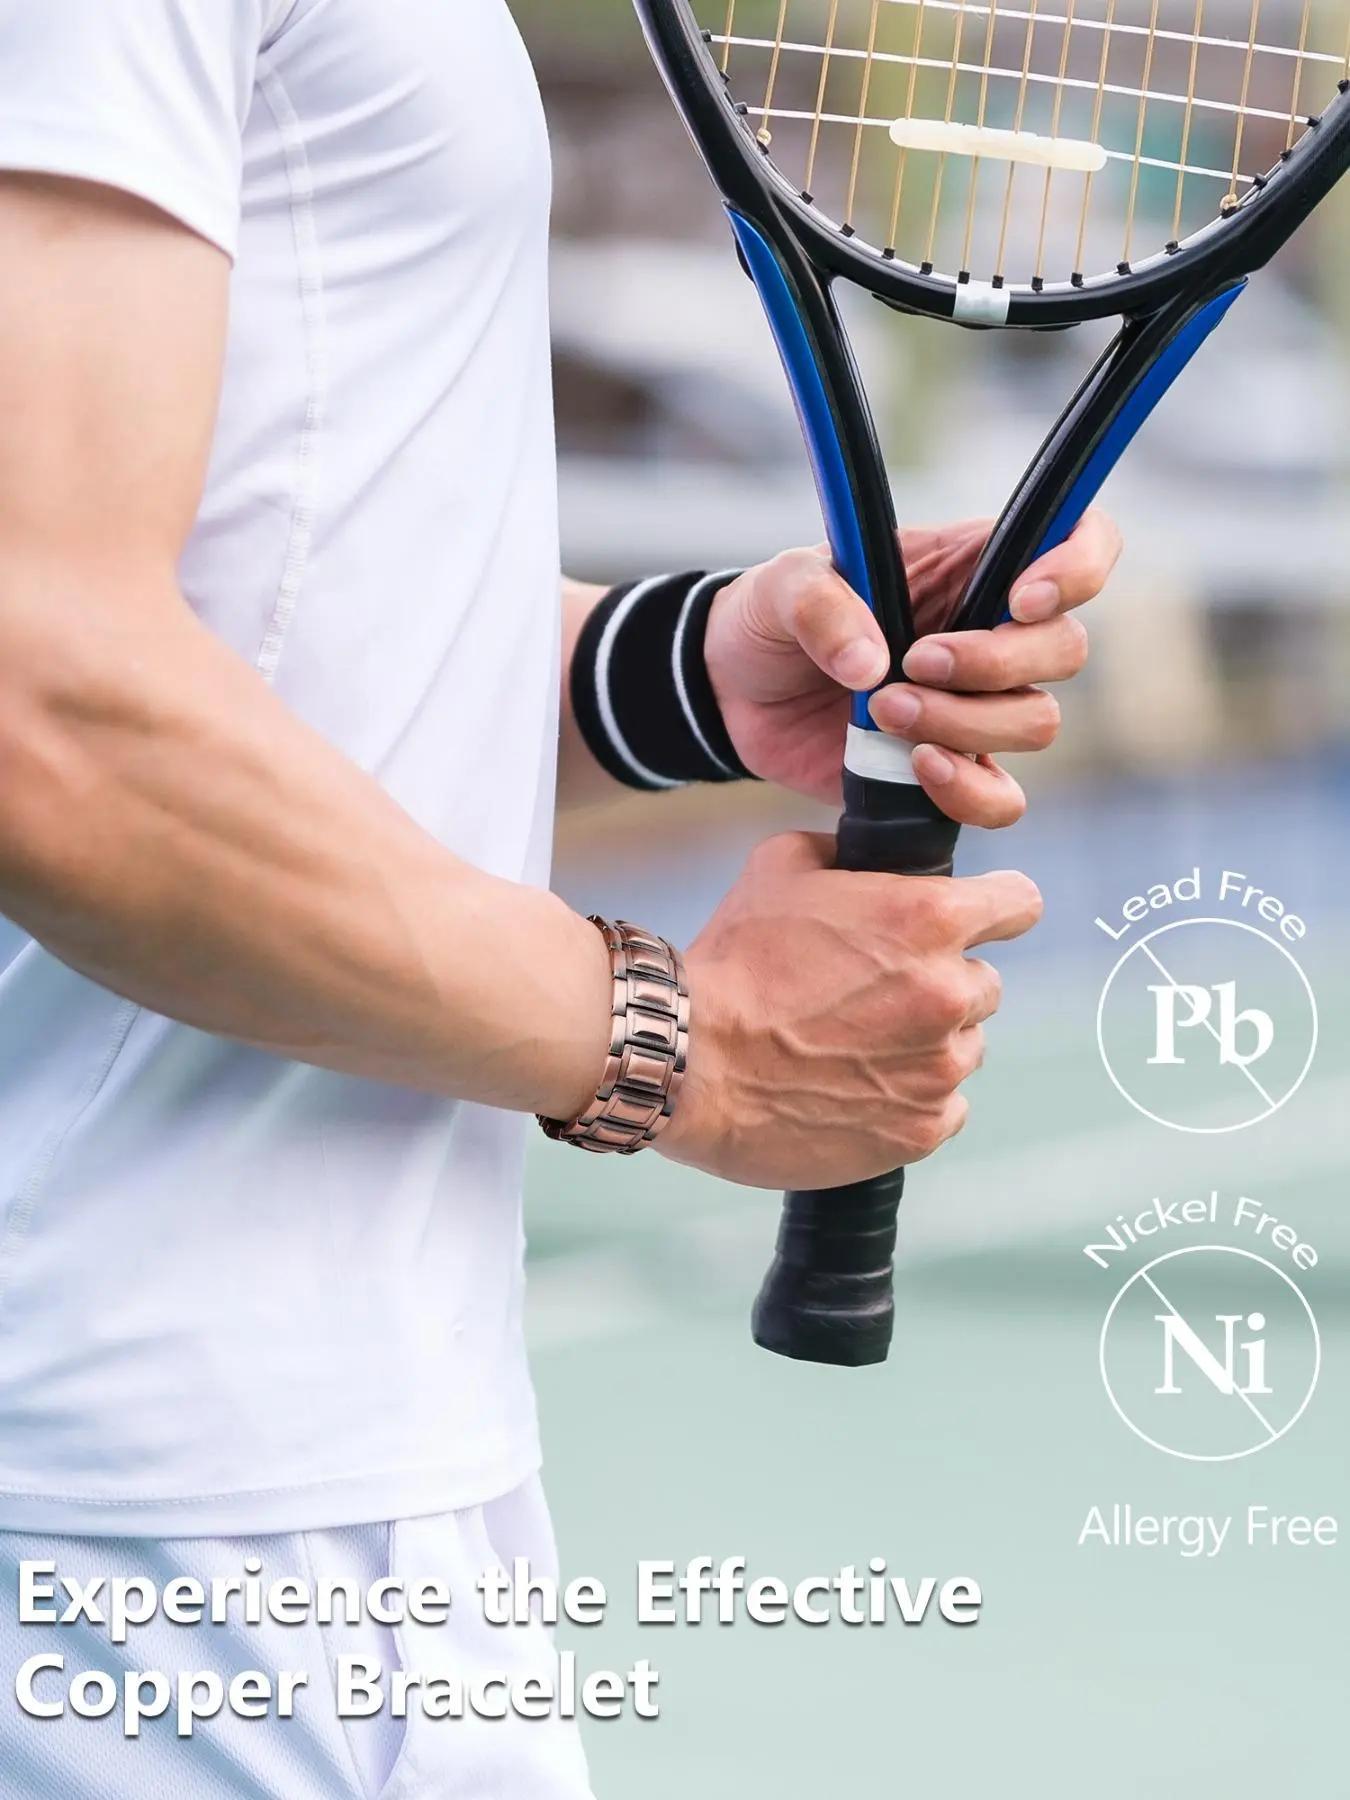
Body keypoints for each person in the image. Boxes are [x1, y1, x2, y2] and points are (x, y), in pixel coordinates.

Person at [0, 2, 1120, 1795]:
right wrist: (690, 1049)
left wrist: (680, 668)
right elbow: (39, 703)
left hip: (299, 1479)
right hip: (134, 1502)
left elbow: (249, 595)